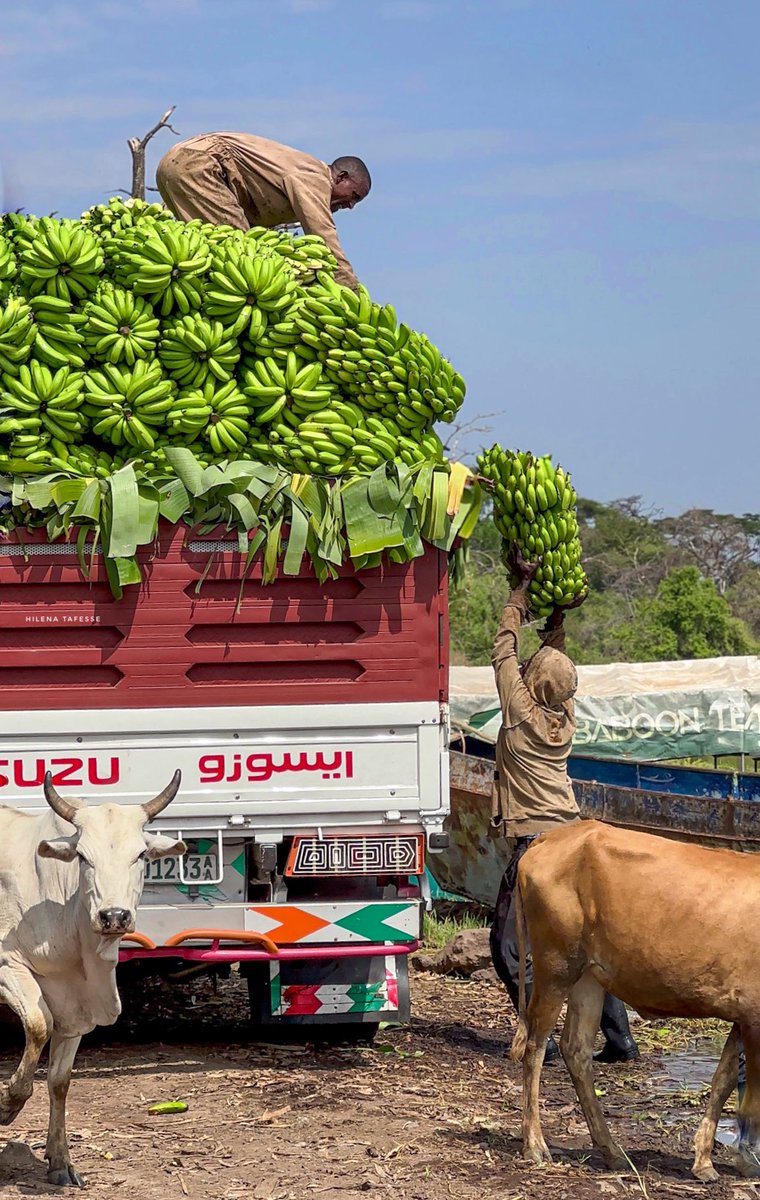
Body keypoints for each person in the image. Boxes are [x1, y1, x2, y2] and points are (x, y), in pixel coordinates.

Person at [489, 552, 640, 1064]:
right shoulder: (564, 716)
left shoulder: (519, 716)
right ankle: (619, 1039)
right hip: (571, 830)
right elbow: (551, 664)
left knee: (508, 950)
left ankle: (543, 1039)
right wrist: (556, 622)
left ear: (531, 686)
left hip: (539, 843)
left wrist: (521, 591)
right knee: (591, 947)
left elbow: (502, 652)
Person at [156, 132, 371, 289]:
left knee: (210, 249)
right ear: (341, 177)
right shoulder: (315, 177)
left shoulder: (303, 174)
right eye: (354, 196)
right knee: (241, 254)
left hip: (175, 162)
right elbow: (322, 234)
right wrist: (349, 287)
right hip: (200, 163)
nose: (351, 206)